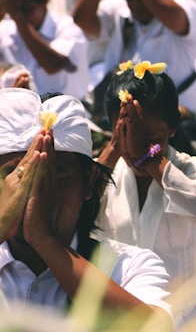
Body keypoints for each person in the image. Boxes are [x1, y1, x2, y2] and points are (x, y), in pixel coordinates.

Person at [0, 87, 172, 330]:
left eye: (57, 180)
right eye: (20, 178)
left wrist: (46, 241)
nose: (36, 197)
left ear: (88, 181)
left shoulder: (126, 266)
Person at [94, 61, 196, 325]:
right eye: (127, 134)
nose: (135, 148)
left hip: (184, 322)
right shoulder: (106, 174)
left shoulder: (193, 168)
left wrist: (151, 157)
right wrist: (114, 148)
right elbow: (76, 201)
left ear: (172, 128)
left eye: (151, 137)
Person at [0, 0, 89, 100]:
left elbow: (53, 64)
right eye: (14, 10)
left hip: (67, 115)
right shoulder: (7, 29)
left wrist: (17, 14)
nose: (21, 17)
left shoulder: (68, 29)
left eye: (27, 10)